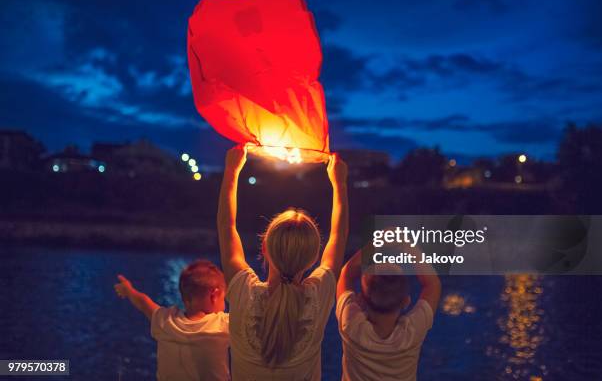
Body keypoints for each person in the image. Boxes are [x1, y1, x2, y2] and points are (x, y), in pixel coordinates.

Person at [218, 145, 348, 380]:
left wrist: (231, 170)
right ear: (313, 258)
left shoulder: (241, 291)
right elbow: (339, 236)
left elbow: (227, 227)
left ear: (264, 248)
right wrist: (339, 183)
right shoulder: (319, 296)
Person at [114, 260, 230, 381]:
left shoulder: (166, 320)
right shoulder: (222, 324)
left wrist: (128, 290)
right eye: (223, 298)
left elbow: (143, 303)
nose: (224, 304)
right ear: (214, 295)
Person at [336, 248, 441, 381]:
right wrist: (408, 248)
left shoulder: (351, 325)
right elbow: (432, 284)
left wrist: (378, 242)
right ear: (406, 301)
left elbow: (346, 274)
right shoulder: (413, 332)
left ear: (360, 300)